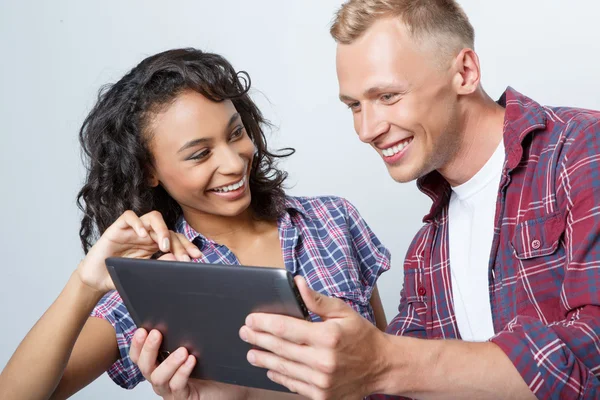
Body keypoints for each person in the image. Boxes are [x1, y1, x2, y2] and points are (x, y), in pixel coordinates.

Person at [235, 1, 600, 399]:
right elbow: (389, 390)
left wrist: (385, 362)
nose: (366, 129)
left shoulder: (583, 151)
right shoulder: (426, 256)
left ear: (464, 73)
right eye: (355, 105)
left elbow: (593, 352)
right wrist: (227, 393)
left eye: (388, 96)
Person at [0, 48, 390, 400]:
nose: (234, 162)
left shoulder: (333, 220)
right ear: (150, 170)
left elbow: (386, 367)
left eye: (235, 133)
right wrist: (85, 283)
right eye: (200, 154)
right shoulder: (157, 280)